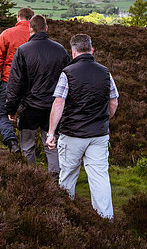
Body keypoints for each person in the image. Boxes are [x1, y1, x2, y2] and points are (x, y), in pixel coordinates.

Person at [46, 34, 119, 219]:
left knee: (68, 176)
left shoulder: (68, 73)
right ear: (91, 50)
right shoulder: (105, 72)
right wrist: (103, 120)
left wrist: (51, 132)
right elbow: (114, 102)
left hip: (72, 135)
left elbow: (58, 103)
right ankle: (105, 221)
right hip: (99, 135)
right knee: (100, 177)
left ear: (73, 51)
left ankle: (65, 217)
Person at [5, 15, 70, 175]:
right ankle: (56, 180)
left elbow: (15, 84)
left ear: (30, 29)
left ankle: (31, 178)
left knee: (27, 145)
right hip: (53, 108)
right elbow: (69, 80)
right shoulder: (60, 50)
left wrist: (11, 108)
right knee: (52, 144)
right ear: (46, 28)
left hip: (29, 108)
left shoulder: (23, 51)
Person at [0, 7, 35, 153]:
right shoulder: (38, 36)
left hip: (9, 82)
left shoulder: (7, 34)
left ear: (18, 17)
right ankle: (29, 151)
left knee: (2, 115)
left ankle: (12, 142)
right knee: (28, 117)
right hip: (33, 85)